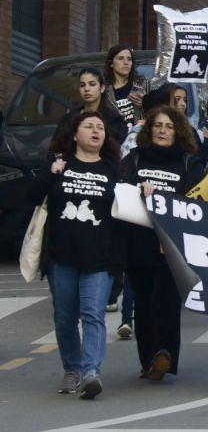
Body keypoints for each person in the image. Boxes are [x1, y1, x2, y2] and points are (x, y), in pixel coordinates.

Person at [33, 111, 125, 399]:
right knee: (64, 317)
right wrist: (50, 173)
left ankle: (90, 373)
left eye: (100, 128)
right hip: (62, 257)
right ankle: (71, 369)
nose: (96, 131)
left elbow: (126, 211)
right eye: (89, 126)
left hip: (100, 259)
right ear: (75, 134)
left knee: (93, 315)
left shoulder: (114, 170)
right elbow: (30, 198)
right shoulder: (60, 165)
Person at [120, 105, 204, 382]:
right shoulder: (134, 159)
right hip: (138, 243)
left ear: (178, 131)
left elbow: (196, 198)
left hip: (172, 245)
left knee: (166, 302)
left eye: (168, 126)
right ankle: (149, 362)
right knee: (142, 305)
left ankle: (165, 354)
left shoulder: (187, 161)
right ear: (149, 129)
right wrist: (138, 190)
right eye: (158, 126)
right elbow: (120, 190)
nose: (163, 131)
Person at [55, 68, 129, 148]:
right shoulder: (69, 119)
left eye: (92, 84)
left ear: (102, 88)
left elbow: (118, 153)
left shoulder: (115, 120)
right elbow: (56, 149)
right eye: (82, 85)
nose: (86, 89)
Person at [104, 46, 147, 127]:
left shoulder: (144, 85)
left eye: (129, 59)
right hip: (114, 136)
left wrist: (146, 103)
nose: (126, 62)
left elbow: (158, 111)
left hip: (139, 136)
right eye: (121, 58)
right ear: (111, 63)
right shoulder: (103, 90)